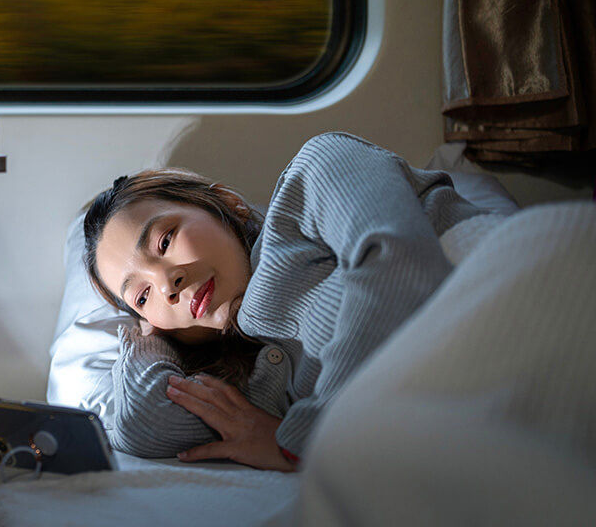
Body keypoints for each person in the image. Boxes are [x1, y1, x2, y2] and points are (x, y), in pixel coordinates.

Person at [83, 131, 488, 471]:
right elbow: (146, 426)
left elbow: (401, 265)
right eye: (141, 293)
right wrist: (147, 336)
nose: (167, 283)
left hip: (508, 287)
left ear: (224, 204)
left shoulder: (314, 173)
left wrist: (298, 440)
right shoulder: (248, 385)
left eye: (165, 240)